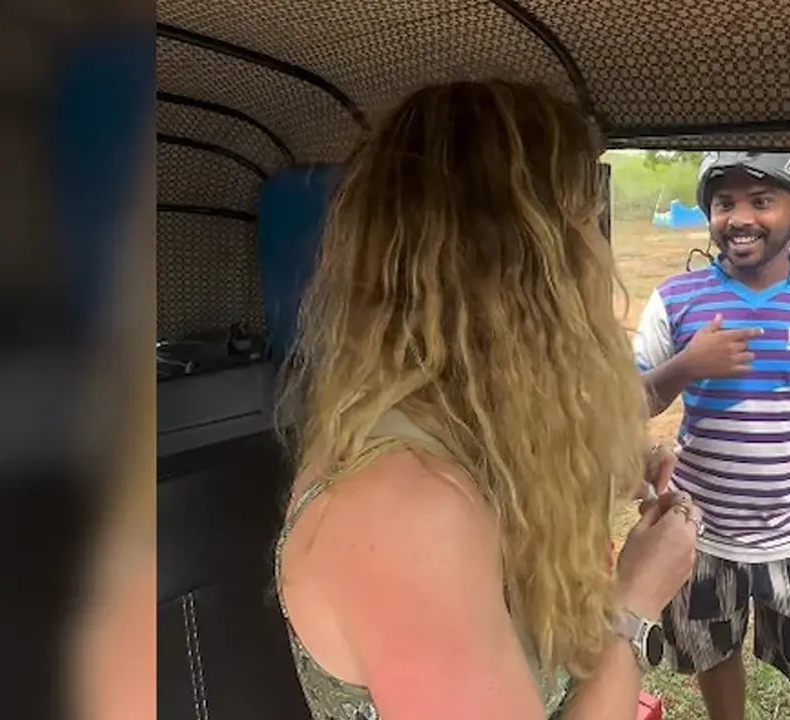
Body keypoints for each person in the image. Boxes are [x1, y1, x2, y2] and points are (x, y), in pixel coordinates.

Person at [274, 80, 700, 720]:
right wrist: (635, 605)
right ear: (526, 270)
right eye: (583, 224)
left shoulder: (446, 439)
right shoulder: (406, 513)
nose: (598, 256)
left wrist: (593, 469)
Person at [633, 152, 790, 720]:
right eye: (725, 202)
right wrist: (688, 365)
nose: (740, 217)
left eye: (762, 202)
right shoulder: (675, 299)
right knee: (713, 657)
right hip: (700, 534)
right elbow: (624, 404)